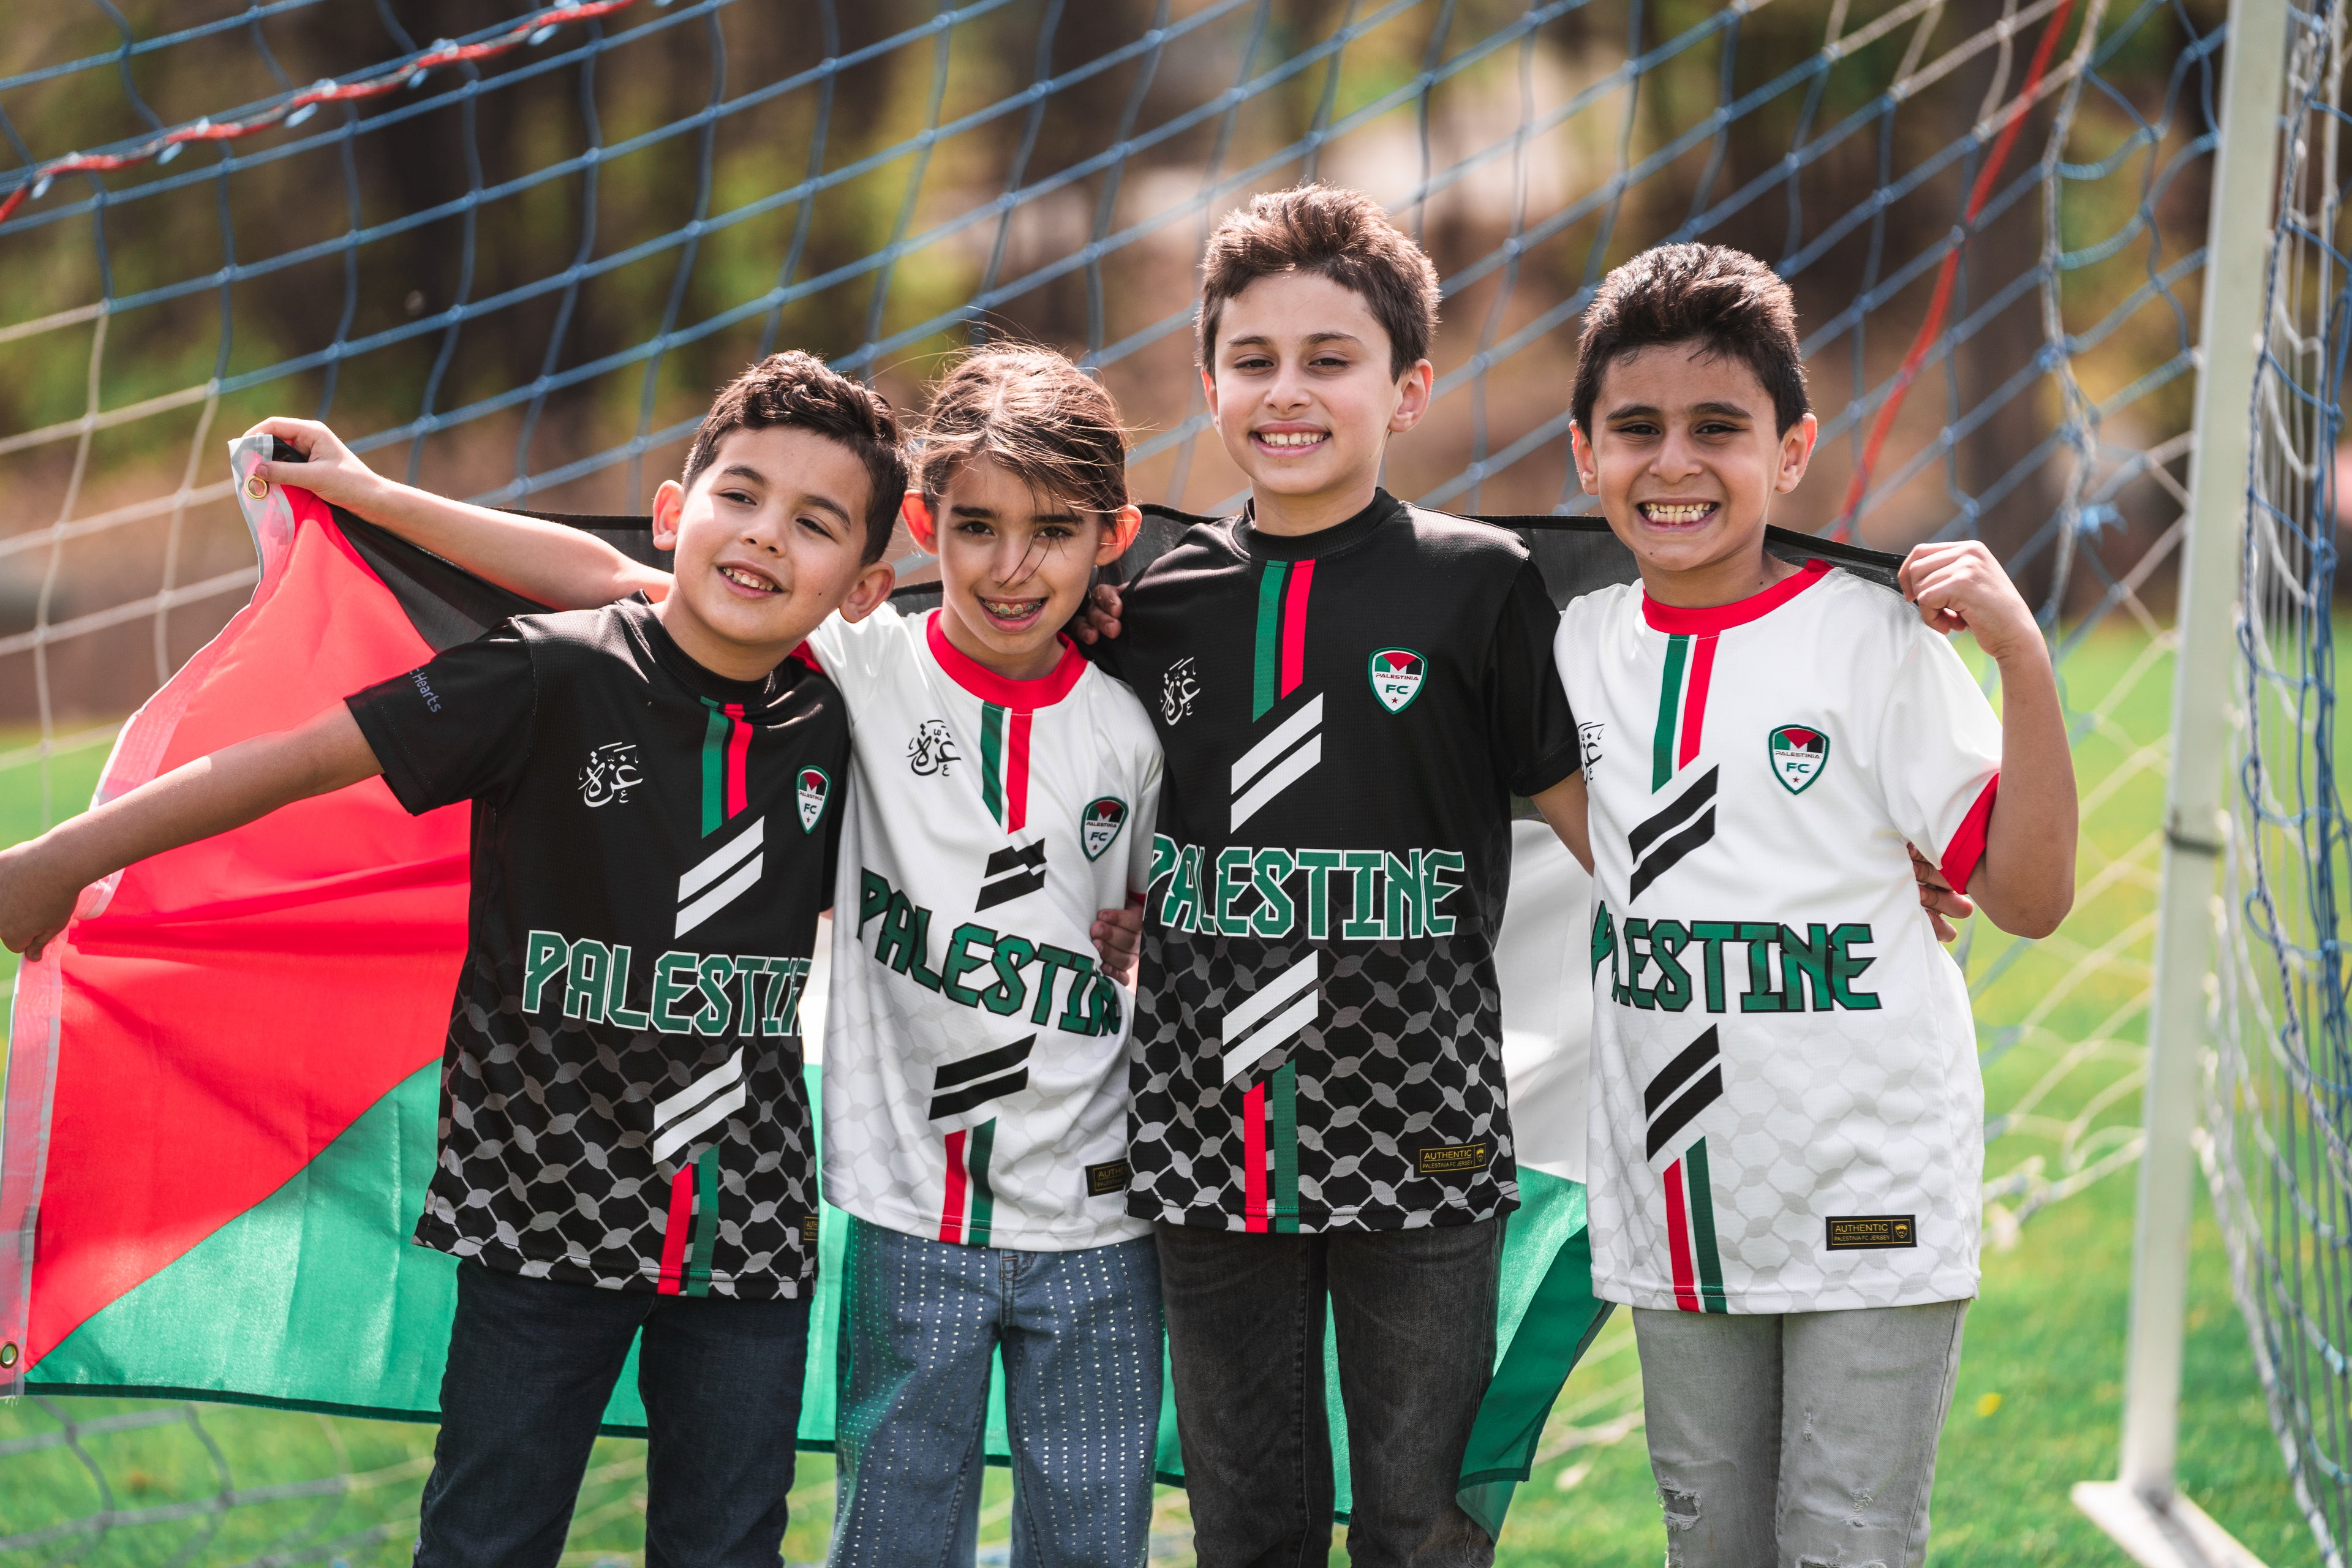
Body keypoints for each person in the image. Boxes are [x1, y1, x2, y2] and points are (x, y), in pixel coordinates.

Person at [252, 345, 1169, 1568]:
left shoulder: (1117, 720)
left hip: (979, 1214)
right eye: (981, 527)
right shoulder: (852, 655)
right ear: (921, 529)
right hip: (819, 1206)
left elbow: (1154, 883)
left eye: (1053, 534)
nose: (1015, 564)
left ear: (1109, 535)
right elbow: (614, 579)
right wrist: (373, 495)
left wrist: (1143, 915)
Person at [0, 351, 908, 1567]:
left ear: (863, 583)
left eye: (815, 523)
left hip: (750, 1229)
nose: (764, 538)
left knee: (729, 1544)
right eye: (739, 496)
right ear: (674, 511)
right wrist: (68, 852)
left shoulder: (840, 705)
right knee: (487, 1539)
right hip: (540, 1216)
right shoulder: (553, 672)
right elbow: (300, 757)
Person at [1076, 183, 1588, 1566]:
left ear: (1409, 387)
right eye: (1253, 360)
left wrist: (1837, 870)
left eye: (1330, 359)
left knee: (1420, 1521)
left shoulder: (1480, 587)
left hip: (1424, 1125)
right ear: (1208, 381)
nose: (1286, 392)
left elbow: (1608, 824)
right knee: (1248, 1520)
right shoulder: (1145, 605)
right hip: (1201, 1129)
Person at [1546, 243, 2078, 1567]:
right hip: (1677, 1189)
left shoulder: (1871, 634)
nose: (1675, 463)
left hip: (1868, 1178)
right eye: (1639, 430)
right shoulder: (1565, 644)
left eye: (1718, 428)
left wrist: (2021, 655)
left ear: (1791, 452)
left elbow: (2031, 896)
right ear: (1584, 452)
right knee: (1710, 1542)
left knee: (1846, 1540)